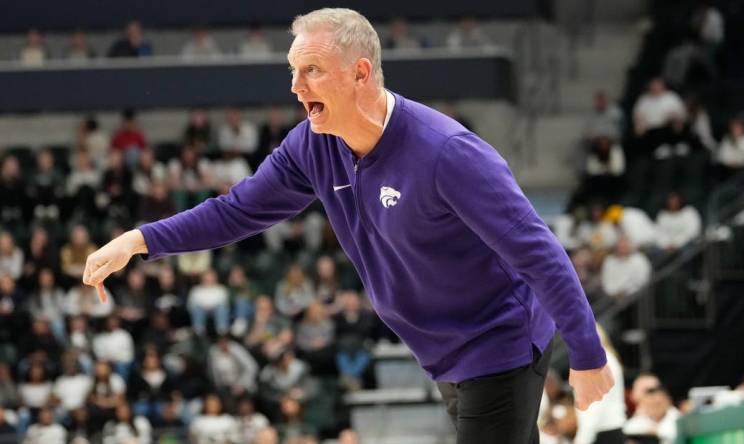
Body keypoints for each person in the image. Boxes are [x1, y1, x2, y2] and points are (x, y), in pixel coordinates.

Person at [84, 8, 613, 443]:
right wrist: (139, 240)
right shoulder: (312, 144)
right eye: (292, 71)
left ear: (361, 73)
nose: (295, 86)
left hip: (497, 339)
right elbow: (237, 210)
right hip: (439, 348)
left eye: (311, 70)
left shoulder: (447, 153)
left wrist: (587, 355)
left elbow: (538, 251)